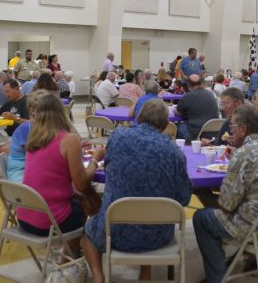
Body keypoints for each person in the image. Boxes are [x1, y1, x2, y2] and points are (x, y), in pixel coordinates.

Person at [82, 99, 192, 282]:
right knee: (149, 204)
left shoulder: (117, 137)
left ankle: (98, 276)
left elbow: (110, 170)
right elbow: (183, 199)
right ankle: (145, 275)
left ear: (139, 118)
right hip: (157, 235)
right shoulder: (175, 152)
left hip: (114, 230)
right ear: (166, 125)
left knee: (88, 232)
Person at [193, 104, 258, 283]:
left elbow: (226, 204)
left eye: (232, 127)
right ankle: (252, 260)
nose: (230, 131)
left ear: (243, 129)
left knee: (202, 218)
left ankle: (217, 278)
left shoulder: (243, 155)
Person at [18, 90, 98, 255]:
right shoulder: (68, 139)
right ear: (62, 112)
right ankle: (68, 257)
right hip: (48, 221)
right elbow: (81, 183)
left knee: (81, 199)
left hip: (25, 217)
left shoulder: (34, 137)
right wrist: (95, 160)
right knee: (88, 204)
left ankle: (72, 251)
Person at [5, 91, 44, 183]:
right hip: (21, 172)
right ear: (33, 111)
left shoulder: (40, 127)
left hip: (31, 169)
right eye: (47, 110)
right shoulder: (26, 128)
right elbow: (35, 156)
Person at [0, 78, 29, 159]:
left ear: (17, 89)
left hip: (22, 138)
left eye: (7, 91)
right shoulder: (9, 102)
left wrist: (14, 118)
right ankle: (2, 167)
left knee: (2, 151)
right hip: (6, 136)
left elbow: (30, 123)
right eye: (4, 92)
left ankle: (5, 166)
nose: (5, 94)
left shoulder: (27, 102)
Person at [175, 75, 220, 141]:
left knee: (176, 127)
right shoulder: (210, 94)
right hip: (214, 133)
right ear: (201, 83)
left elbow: (177, 113)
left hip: (197, 133)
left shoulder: (188, 96)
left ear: (188, 85)